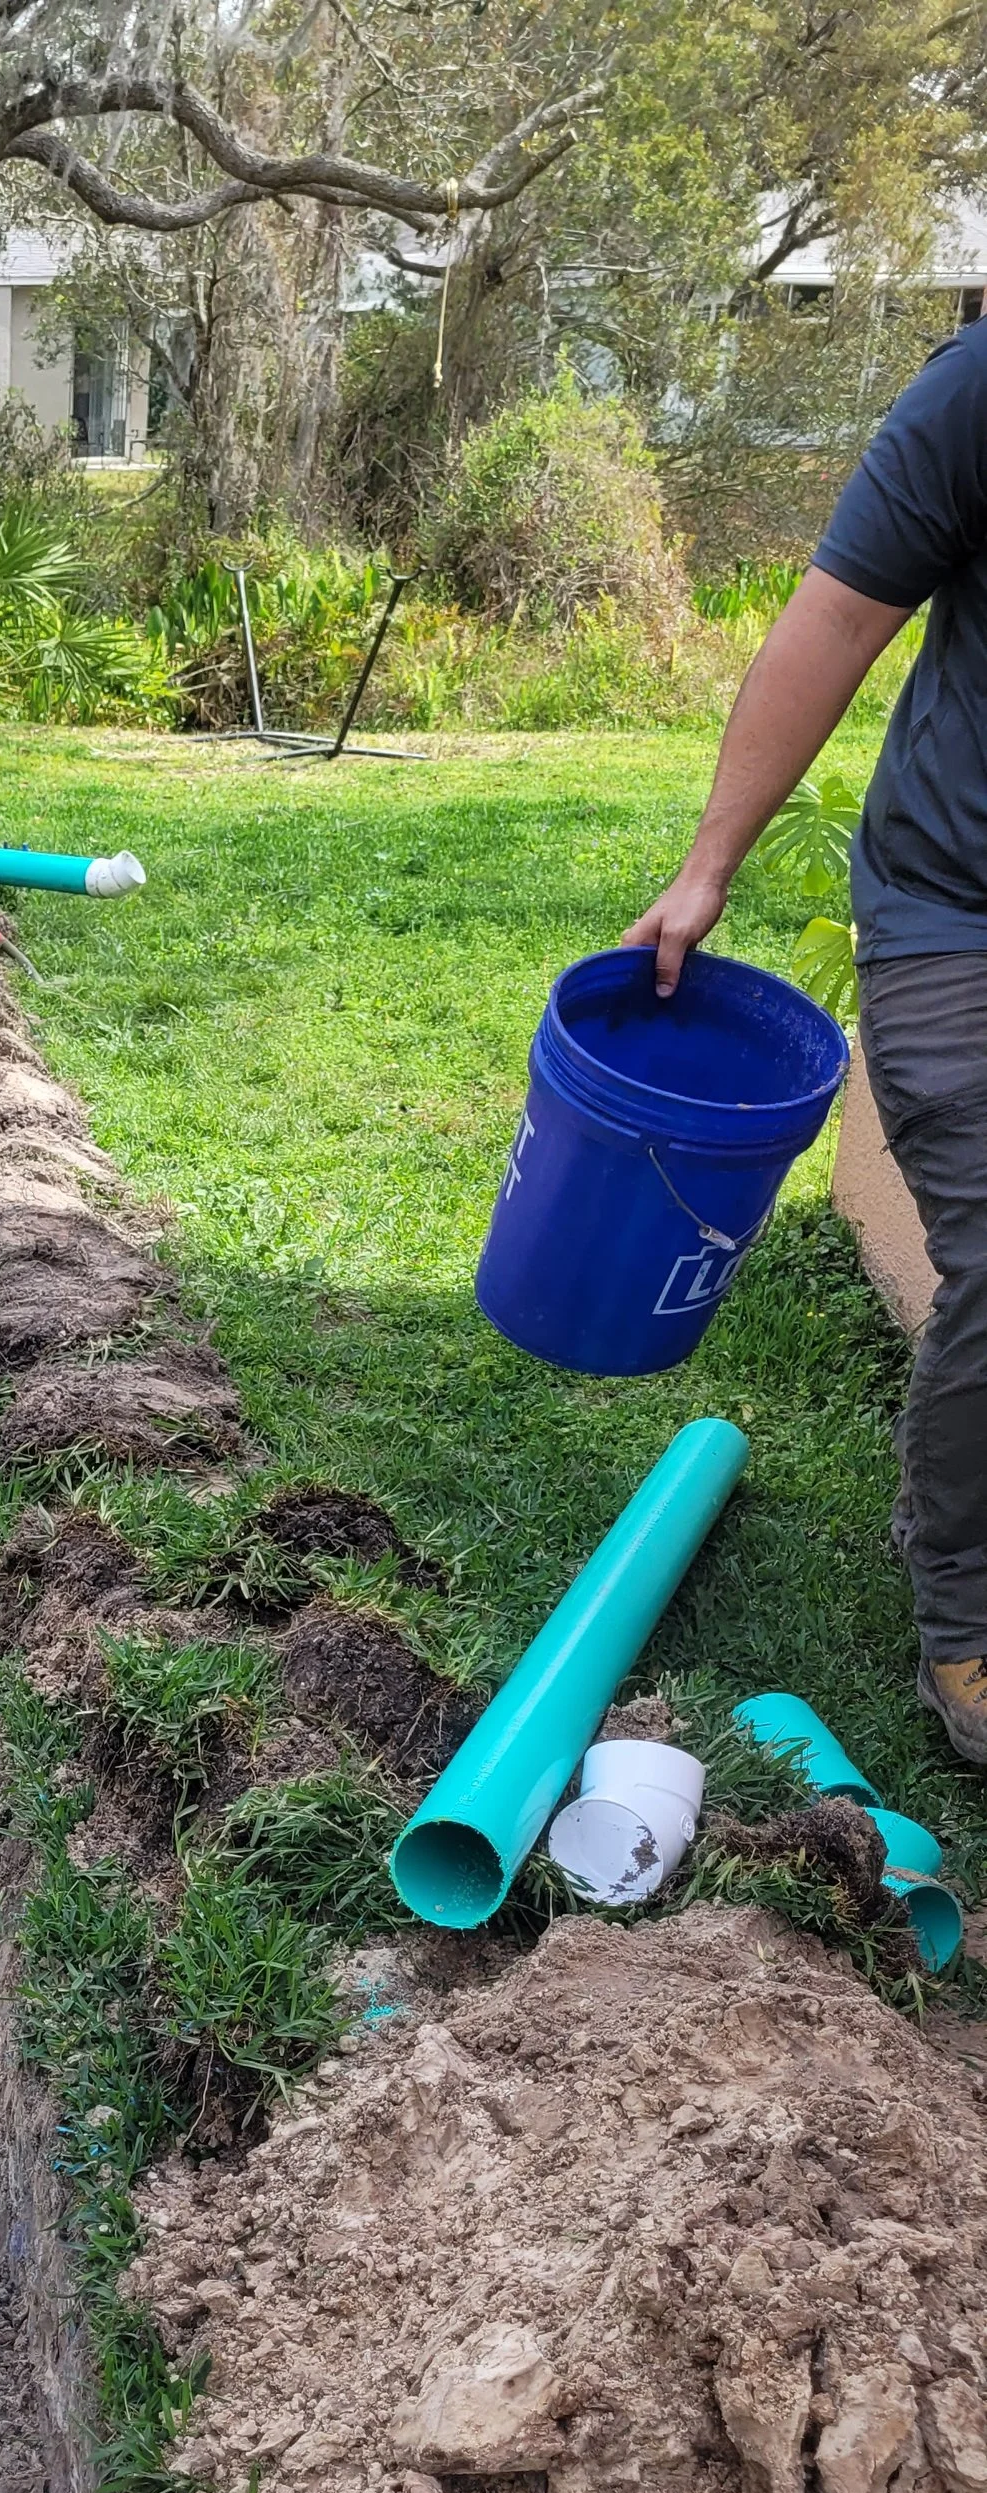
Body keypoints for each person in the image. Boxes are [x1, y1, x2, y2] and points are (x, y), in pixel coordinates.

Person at [625, 320, 987, 1758]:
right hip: (958, 908)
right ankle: (963, 1602)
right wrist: (710, 864)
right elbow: (837, 617)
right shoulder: (977, 394)